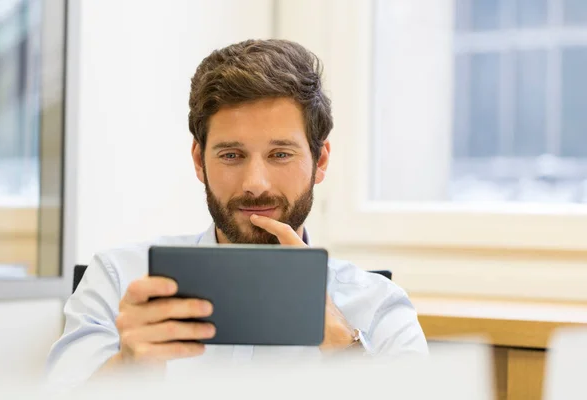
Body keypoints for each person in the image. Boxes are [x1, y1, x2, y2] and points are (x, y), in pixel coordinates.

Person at [45, 39, 428, 387]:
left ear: (320, 160)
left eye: (280, 154)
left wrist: (343, 346)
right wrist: (129, 368)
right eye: (231, 155)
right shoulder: (116, 280)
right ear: (199, 161)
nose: (255, 183)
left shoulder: (379, 306)